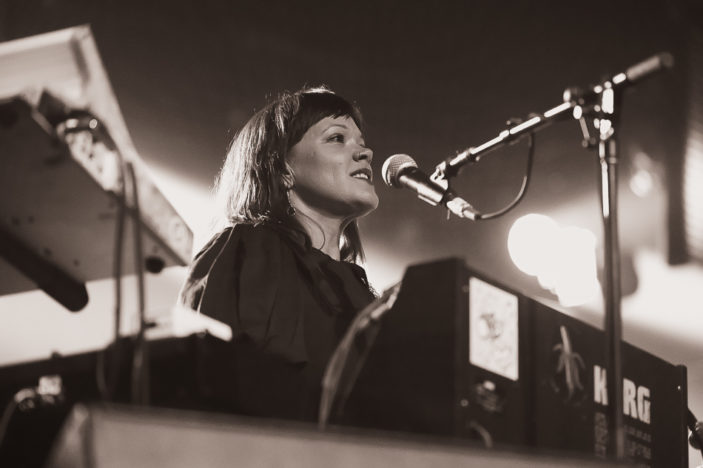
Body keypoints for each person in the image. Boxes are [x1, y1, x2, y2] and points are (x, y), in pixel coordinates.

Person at [178, 86, 379, 422]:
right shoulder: (250, 248)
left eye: (361, 141)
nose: (365, 152)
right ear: (283, 168)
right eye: (336, 138)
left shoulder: (361, 294)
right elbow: (209, 377)